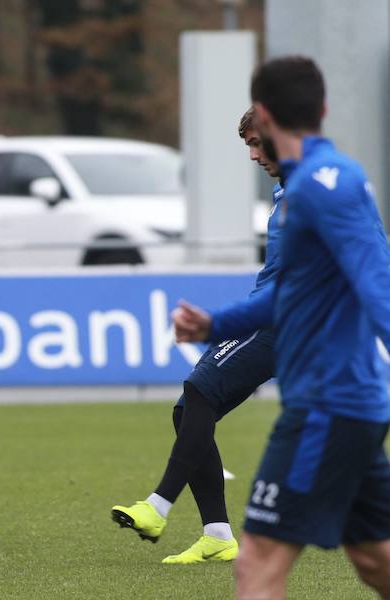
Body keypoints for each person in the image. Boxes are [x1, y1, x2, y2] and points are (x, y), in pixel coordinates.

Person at [173, 56, 390, 599]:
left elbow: (378, 285)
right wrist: (216, 324)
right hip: (349, 405)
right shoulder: (327, 179)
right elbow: (289, 293)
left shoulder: (318, 189)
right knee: (374, 559)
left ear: (264, 116)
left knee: (258, 566)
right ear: (323, 110)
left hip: (328, 406)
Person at [110, 107, 283, 564]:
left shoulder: (311, 194)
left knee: (199, 390)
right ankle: (218, 535)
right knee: (188, 409)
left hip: (280, 321)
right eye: (246, 145)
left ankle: (157, 506)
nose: (251, 155)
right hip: (272, 317)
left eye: (255, 143)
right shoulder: (289, 191)